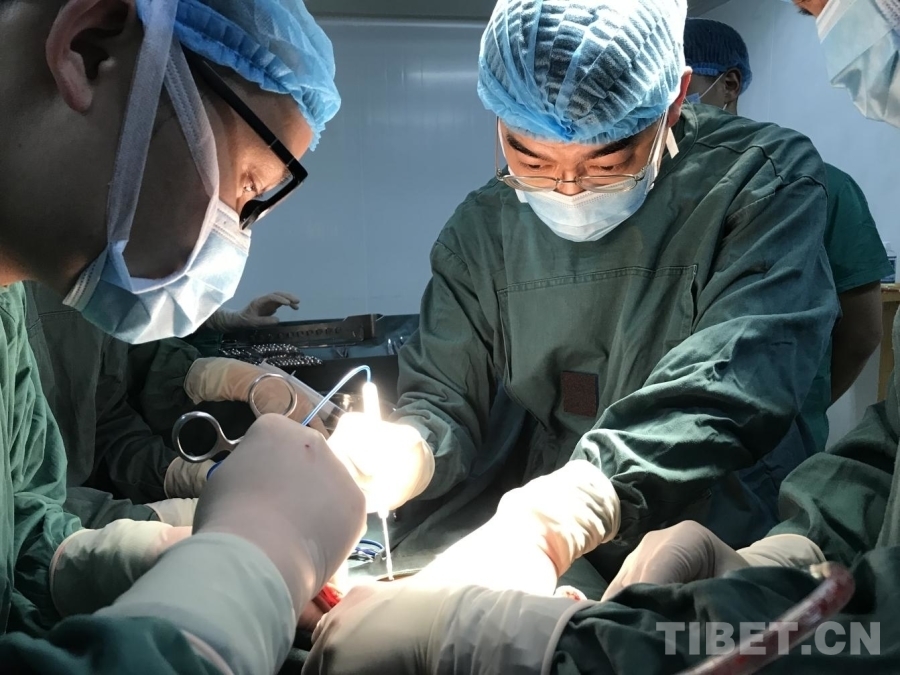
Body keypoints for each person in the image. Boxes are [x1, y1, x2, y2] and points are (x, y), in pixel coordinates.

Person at [307, 1, 900, 671]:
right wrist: (410, 449)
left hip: (730, 526)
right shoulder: (484, 227)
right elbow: (445, 394)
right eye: (530, 157)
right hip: (569, 551)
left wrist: (566, 509)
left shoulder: (759, 179)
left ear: (673, 100)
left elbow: (736, 377)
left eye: (608, 160)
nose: (568, 187)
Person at [0, 0, 367, 672]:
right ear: (90, 47)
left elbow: (15, 535)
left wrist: (157, 558)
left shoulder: (7, 315)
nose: (232, 241)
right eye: (246, 186)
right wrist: (247, 568)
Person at [683, 17, 891, 456]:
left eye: (682, 87)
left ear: (729, 84)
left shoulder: (817, 186)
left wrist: (795, 409)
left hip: (769, 452)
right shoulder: (641, 192)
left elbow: (862, 331)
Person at [25, 282, 318, 528]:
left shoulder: (92, 290)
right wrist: (159, 522)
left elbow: (105, 423)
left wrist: (181, 474)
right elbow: (19, 519)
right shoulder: (16, 308)